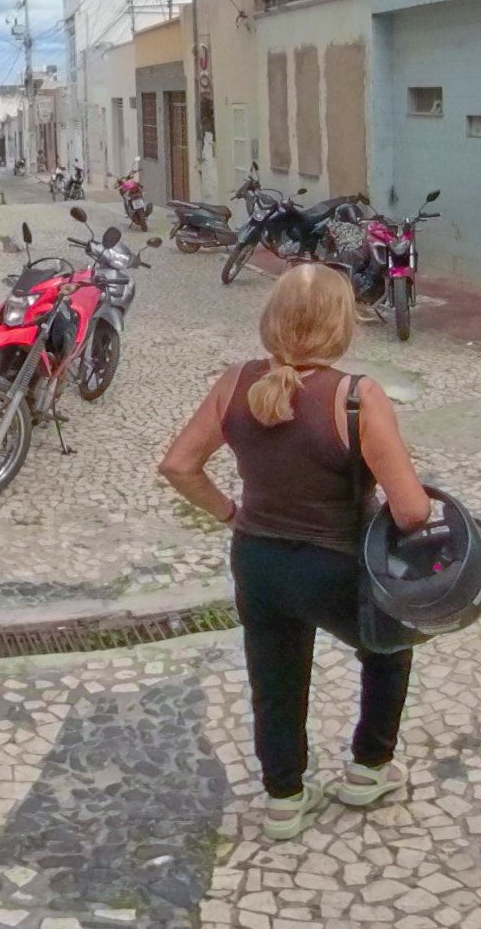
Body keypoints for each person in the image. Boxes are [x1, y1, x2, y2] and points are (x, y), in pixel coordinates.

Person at [159, 265, 442, 841]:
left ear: (273, 319)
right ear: (341, 325)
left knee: (274, 675)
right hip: (336, 564)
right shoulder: (357, 397)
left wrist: (231, 515)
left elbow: (179, 466)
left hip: (258, 561)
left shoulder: (235, 382)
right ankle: (369, 768)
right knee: (388, 647)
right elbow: (412, 511)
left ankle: (284, 797)